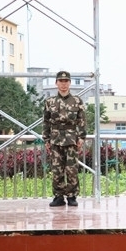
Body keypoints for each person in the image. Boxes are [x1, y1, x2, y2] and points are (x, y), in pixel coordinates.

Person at [43, 71, 87, 207]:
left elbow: (82, 120)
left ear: (70, 83)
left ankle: (72, 196)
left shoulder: (77, 101)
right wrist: (46, 139)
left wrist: (82, 137)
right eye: (61, 81)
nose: (63, 84)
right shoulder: (50, 102)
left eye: (66, 81)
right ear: (56, 83)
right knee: (57, 169)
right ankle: (59, 196)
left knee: (72, 169)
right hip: (55, 139)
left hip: (71, 139)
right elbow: (46, 122)